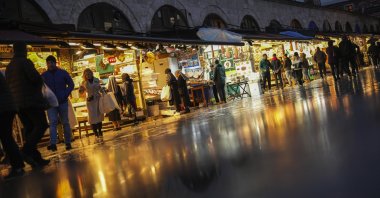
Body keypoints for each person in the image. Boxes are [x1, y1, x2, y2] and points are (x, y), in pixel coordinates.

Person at [5, 42, 50, 169]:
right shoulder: (25, 62)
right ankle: (25, 151)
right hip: (31, 101)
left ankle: (36, 158)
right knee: (42, 125)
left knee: (29, 128)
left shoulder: (9, 66)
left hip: (18, 104)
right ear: (24, 50)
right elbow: (35, 79)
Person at [42, 55, 74, 151]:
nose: (50, 64)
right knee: (53, 123)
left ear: (55, 63)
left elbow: (71, 84)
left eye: (51, 62)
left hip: (62, 101)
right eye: (48, 63)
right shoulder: (44, 76)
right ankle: (53, 144)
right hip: (51, 103)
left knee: (65, 122)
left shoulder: (63, 73)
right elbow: (41, 88)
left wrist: (65, 93)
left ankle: (68, 142)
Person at [0, 73, 25, 179]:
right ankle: (18, 164)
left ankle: (18, 166)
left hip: (4, 108)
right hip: (7, 106)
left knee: (6, 137)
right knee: (6, 137)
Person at [79, 69, 104, 141]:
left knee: (99, 116)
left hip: (97, 99)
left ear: (91, 73)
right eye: (86, 74)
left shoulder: (96, 80)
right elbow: (81, 93)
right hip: (90, 101)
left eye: (89, 73)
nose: (88, 75)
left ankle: (100, 131)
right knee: (92, 118)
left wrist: (104, 91)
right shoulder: (84, 82)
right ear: (84, 75)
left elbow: (100, 88)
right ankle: (95, 133)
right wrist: (81, 90)